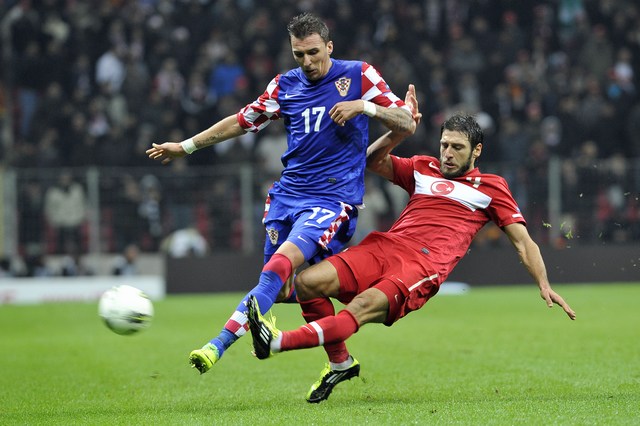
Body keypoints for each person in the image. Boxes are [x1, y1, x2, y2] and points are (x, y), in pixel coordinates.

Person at [247, 106, 577, 403]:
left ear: (477, 150)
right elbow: (371, 161)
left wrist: (543, 283)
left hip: (422, 265)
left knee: (360, 308)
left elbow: (523, 242)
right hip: (384, 246)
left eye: (457, 148)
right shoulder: (423, 167)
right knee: (307, 283)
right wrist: (399, 131)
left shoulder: (492, 187)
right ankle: (341, 363)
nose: (448, 154)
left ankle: (276, 342)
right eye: (445, 145)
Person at [146, 13, 415, 373]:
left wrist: (364, 106)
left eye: (314, 53)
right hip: (287, 197)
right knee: (288, 288)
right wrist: (186, 146)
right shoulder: (284, 85)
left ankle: (217, 345)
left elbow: (406, 121)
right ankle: (340, 362)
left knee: (277, 268)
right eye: (299, 55)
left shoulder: (358, 75)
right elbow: (241, 121)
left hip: (331, 200)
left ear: (329, 47)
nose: (308, 62)